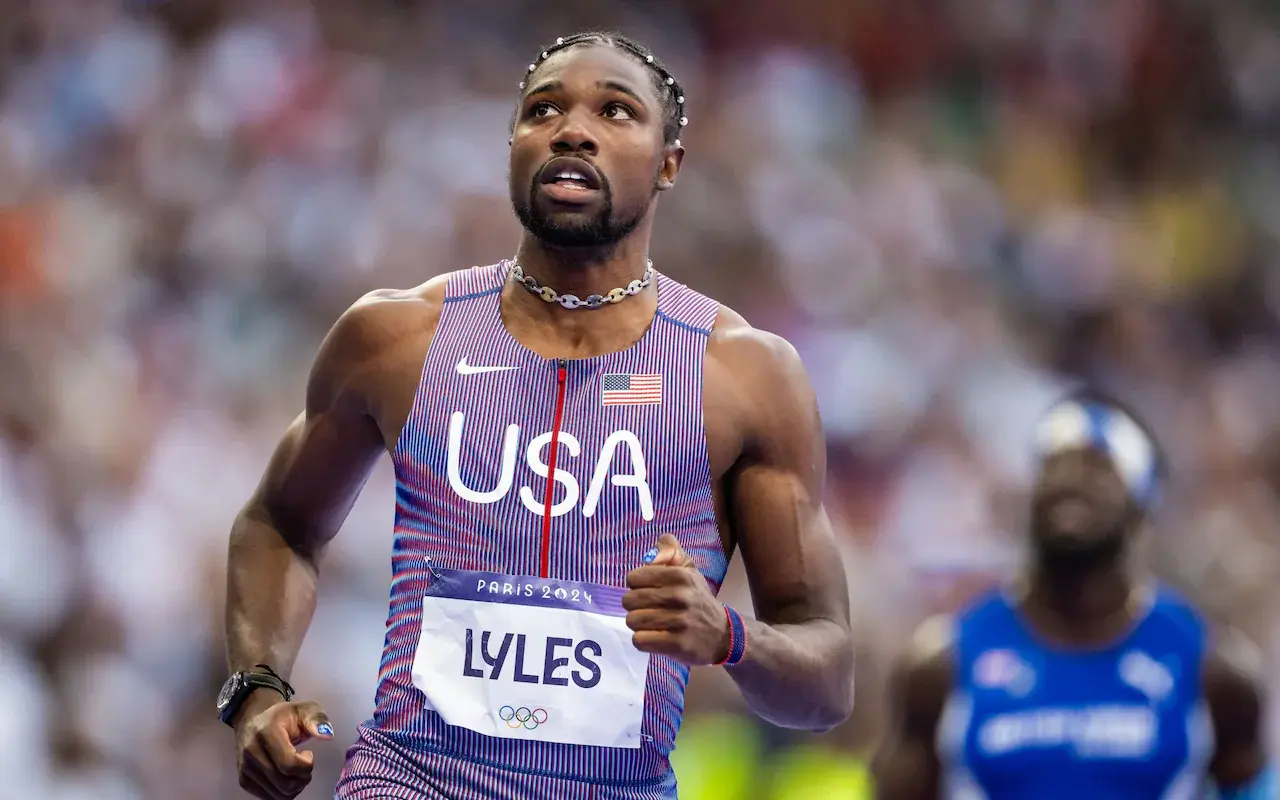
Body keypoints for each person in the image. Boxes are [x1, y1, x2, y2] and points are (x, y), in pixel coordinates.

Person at [219, 30, 855, 800]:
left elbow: (826, 683)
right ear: (514, 145)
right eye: (542, 109)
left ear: (668, 166)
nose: (572, 128)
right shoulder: (395, 339)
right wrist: (257, 688)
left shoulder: (746, 376)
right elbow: (279, 523)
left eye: (616, 111)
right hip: (408, 781)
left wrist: (728, 638)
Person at [872, 389, 1275, 799]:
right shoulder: (942, 664)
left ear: (1141, 503)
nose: (1071, 480)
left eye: (1097, 468)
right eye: (1053, 465)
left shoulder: (1212, 670)